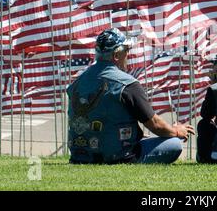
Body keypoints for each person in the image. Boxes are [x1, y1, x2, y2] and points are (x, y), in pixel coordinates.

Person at [67, 28, 195, 164]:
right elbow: (155, 125)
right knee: (174, 143)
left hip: (80, 155)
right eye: (126, 50)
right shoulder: (127, 84)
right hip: (118, 156)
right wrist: (176, 131)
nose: (128, 55)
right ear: (117, 55)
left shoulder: (77, 81)